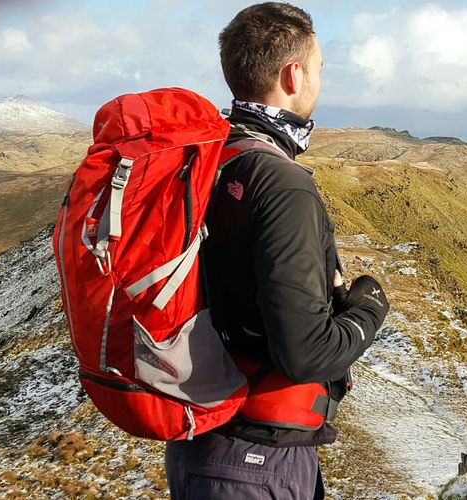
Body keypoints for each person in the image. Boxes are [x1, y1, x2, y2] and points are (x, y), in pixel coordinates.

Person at [163, 3, 392, 499]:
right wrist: (370, 307)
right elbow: (307, 353)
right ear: (293, 75)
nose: (320, 80)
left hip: (204, 439)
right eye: (319, 69)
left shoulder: (211, 158)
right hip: (253, 459)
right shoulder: (282, 185)